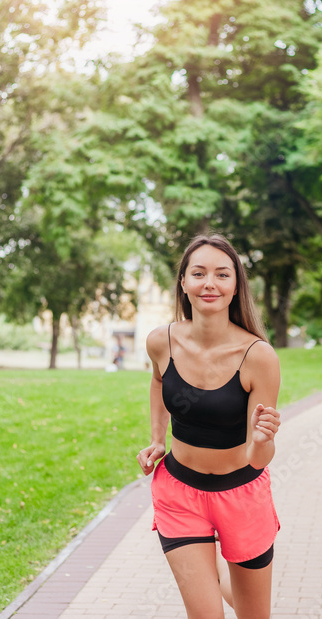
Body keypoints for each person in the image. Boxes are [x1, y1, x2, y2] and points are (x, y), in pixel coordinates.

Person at [136, 234, 282, 619]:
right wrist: (156, 438)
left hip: (241, 495)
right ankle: (208, 564)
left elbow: (259, 455)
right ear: (183, 282)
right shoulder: (161, 342)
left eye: (221, 274)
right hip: (179, 493)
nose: (209, 284)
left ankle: (216, 570)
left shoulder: (258, 357)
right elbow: (157, 380)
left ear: (236, 286)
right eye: (198, 273)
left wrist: (264, 437)